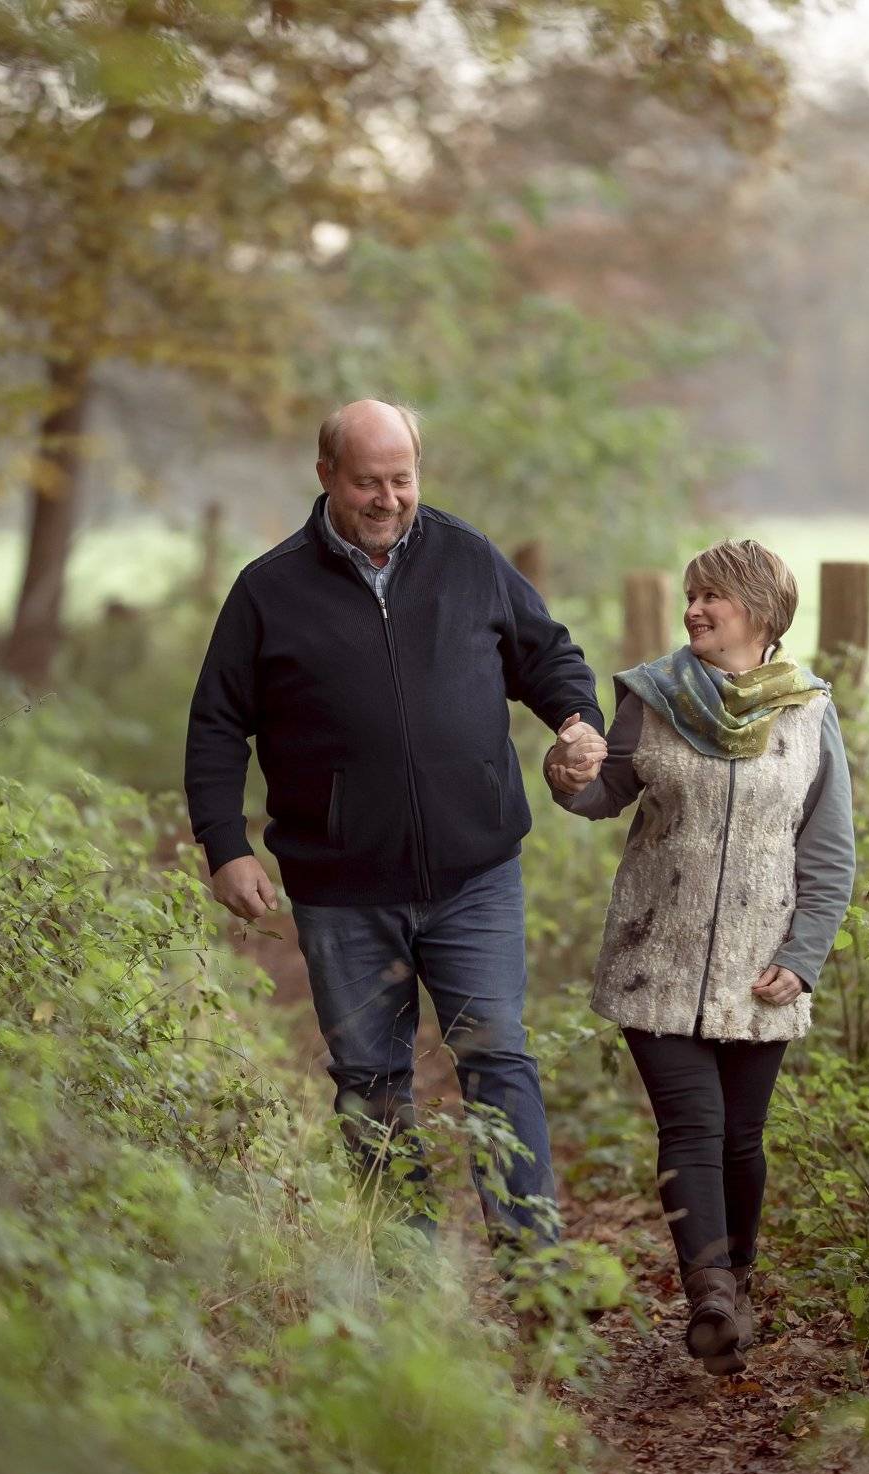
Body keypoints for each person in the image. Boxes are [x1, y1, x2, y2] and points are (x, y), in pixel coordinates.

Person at [184, 398, 606, 1255]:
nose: (388, 499)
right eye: (367, 482)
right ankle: (411, 1280)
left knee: (498, 1058)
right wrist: (226, 845)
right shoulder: (269, 589)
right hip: (341, 890)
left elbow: (548, 655)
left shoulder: (467, 557)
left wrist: (577, 721)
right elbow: (217, 723)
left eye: (402, 479)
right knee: (372, 1082)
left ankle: (537, 1269)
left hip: (475, 875)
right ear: (326, 476)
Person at [544, 538, 855, 1373]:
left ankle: (736, 1284)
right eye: (690, 594)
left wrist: (804, 957)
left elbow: (829, 856)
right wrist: (568, 772)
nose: (693, 610)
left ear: (760, 610)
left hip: (761, 974)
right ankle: (710, 1293)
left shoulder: (809, 712)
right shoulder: (654, 696)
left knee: (742, 1139)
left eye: (712, 595)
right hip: (655, 959)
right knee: (693, 1126)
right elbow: (602, 794)